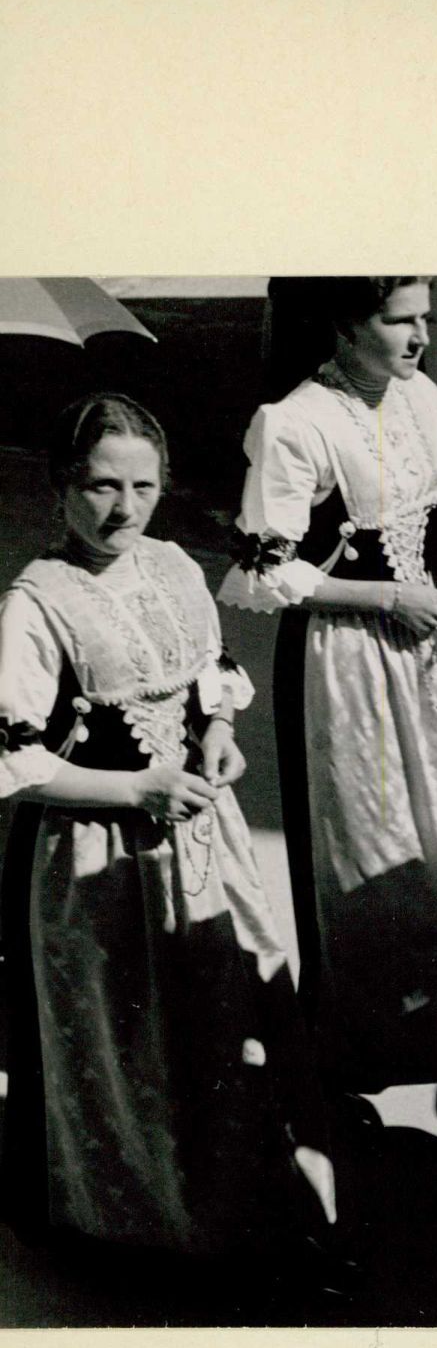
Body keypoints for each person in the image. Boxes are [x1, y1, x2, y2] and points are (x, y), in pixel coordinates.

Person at [0, 393, 335, 1260]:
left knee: (226, 1011)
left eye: (143, 487)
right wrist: (136, 788)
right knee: (130, 1036)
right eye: (102, 486)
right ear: (61, 486)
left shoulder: (176, 567)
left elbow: (212, 676)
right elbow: (17, 762)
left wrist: (219, 733)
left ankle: (243, 1206)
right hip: (94, 854)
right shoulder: (37, 602)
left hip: (201, 838)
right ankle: (145, 1224)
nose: (125, 509)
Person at [217, 277, 437, 1140]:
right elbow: (268, 571)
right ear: (344, 322)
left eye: (424, 317)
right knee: (359, 862)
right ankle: (339, 1065)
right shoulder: (295, 422)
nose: (419, 336)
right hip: (343, 660)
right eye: (397, 318)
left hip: (424, 654)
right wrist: (388, 597)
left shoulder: (422, 399)